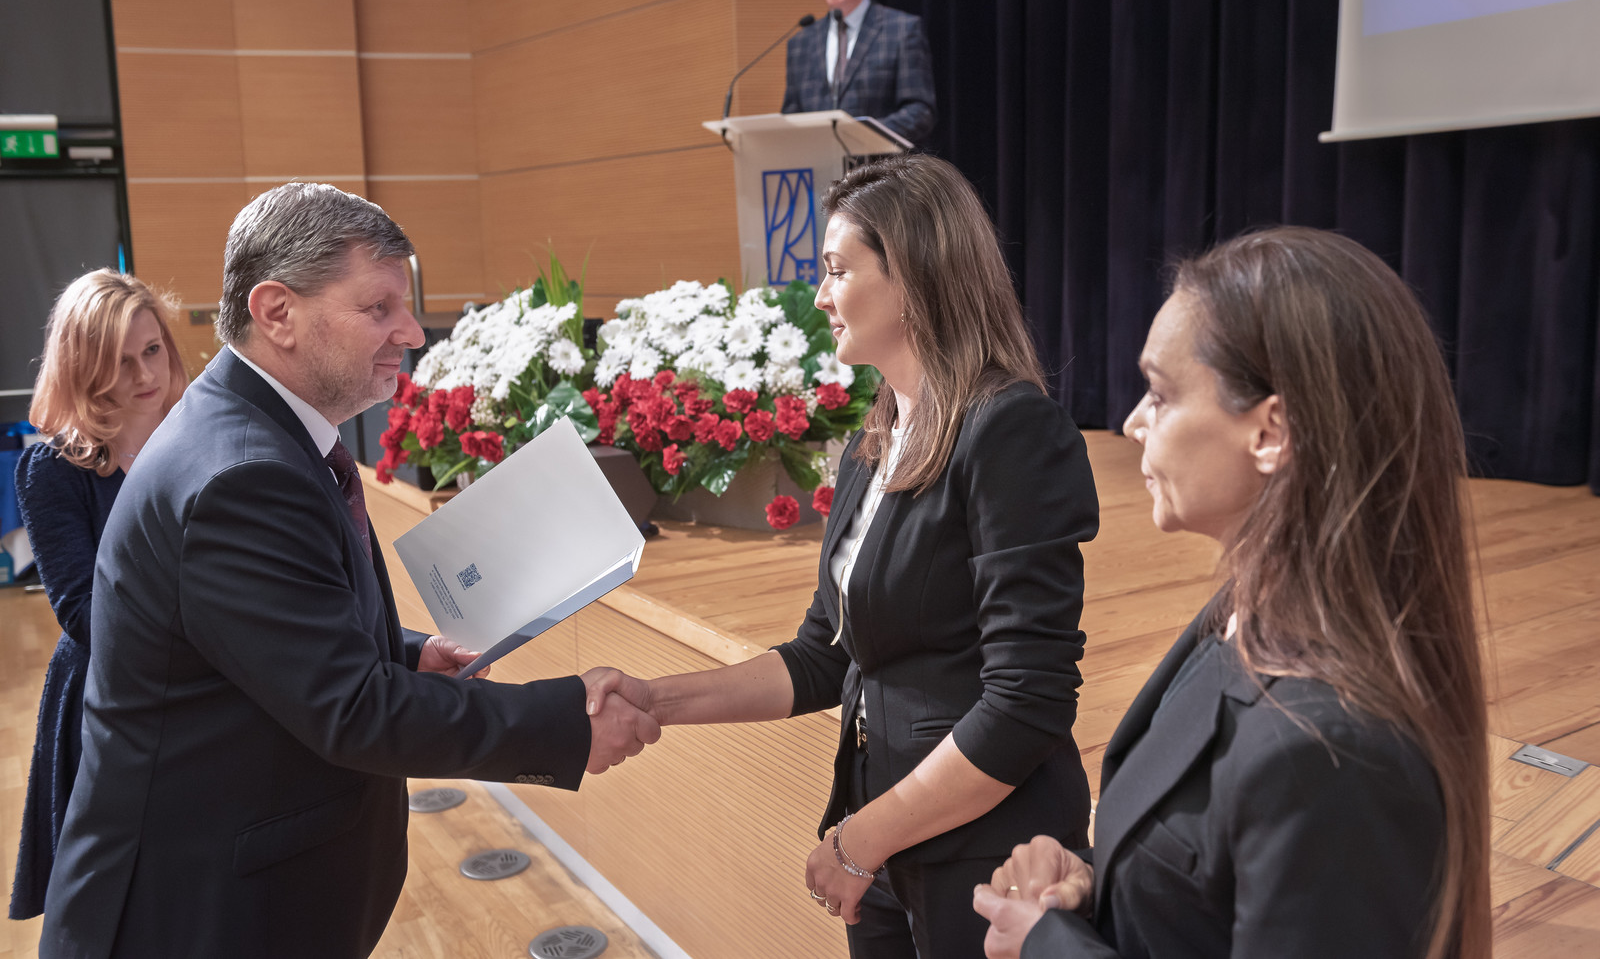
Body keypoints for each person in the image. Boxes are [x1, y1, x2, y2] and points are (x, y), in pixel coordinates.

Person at [39, 183, 660, 958]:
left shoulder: (252, 431)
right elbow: (353, 711)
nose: (412, 331)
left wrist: (405, 655)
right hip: (197, 916)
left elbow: (269, 639)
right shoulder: (243, 473)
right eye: (378, 307)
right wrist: (565, 724)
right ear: (277, 312)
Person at [590, 154, 1099, 958]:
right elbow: (824, 654)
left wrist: (862, 840)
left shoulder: (1010, 429)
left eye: (836, 270)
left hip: (987, 853)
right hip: (883, 835)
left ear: (916, 279)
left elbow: (1027, 701)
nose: (821, 297)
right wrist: (656, 698)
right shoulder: (877, 433)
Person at [973, 228, 1490, 959]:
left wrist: (1047, 946)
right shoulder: (1242, 614)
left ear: (1271, 432)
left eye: (1160, 394)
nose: (1133, 422)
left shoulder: (1333, 750)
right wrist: (1092, 883)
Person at [8, 271, 187, 922]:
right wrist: (213, 618)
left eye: (152, 349)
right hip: (110, 696)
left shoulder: (199, 440)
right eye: (119, 360)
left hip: (208, 680)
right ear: (83, 366)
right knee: (120, 905)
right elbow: (84, 612)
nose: (145, 374)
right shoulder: (52, 470)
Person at [782, 0, 938, 147]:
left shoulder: (902, 30)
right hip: (820, 166)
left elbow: (919, 111)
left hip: (883, 165)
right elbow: (792, 118)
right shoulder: (800, 44)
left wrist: (858, 136)